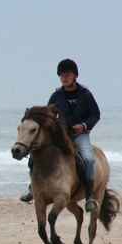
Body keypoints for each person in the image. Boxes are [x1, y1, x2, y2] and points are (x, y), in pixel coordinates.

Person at [20, 58, 102, 212]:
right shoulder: (56, 95)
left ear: (75, 76)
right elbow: (47, 117)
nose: (64, 78)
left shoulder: (85, 94)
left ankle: (90, 195)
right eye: (62, 76)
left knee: (88, 159)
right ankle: (32, 188)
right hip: (61, 136)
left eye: (67, 75)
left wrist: (83, 125)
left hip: (80, 135)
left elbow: (95, 114)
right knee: (34, 155)